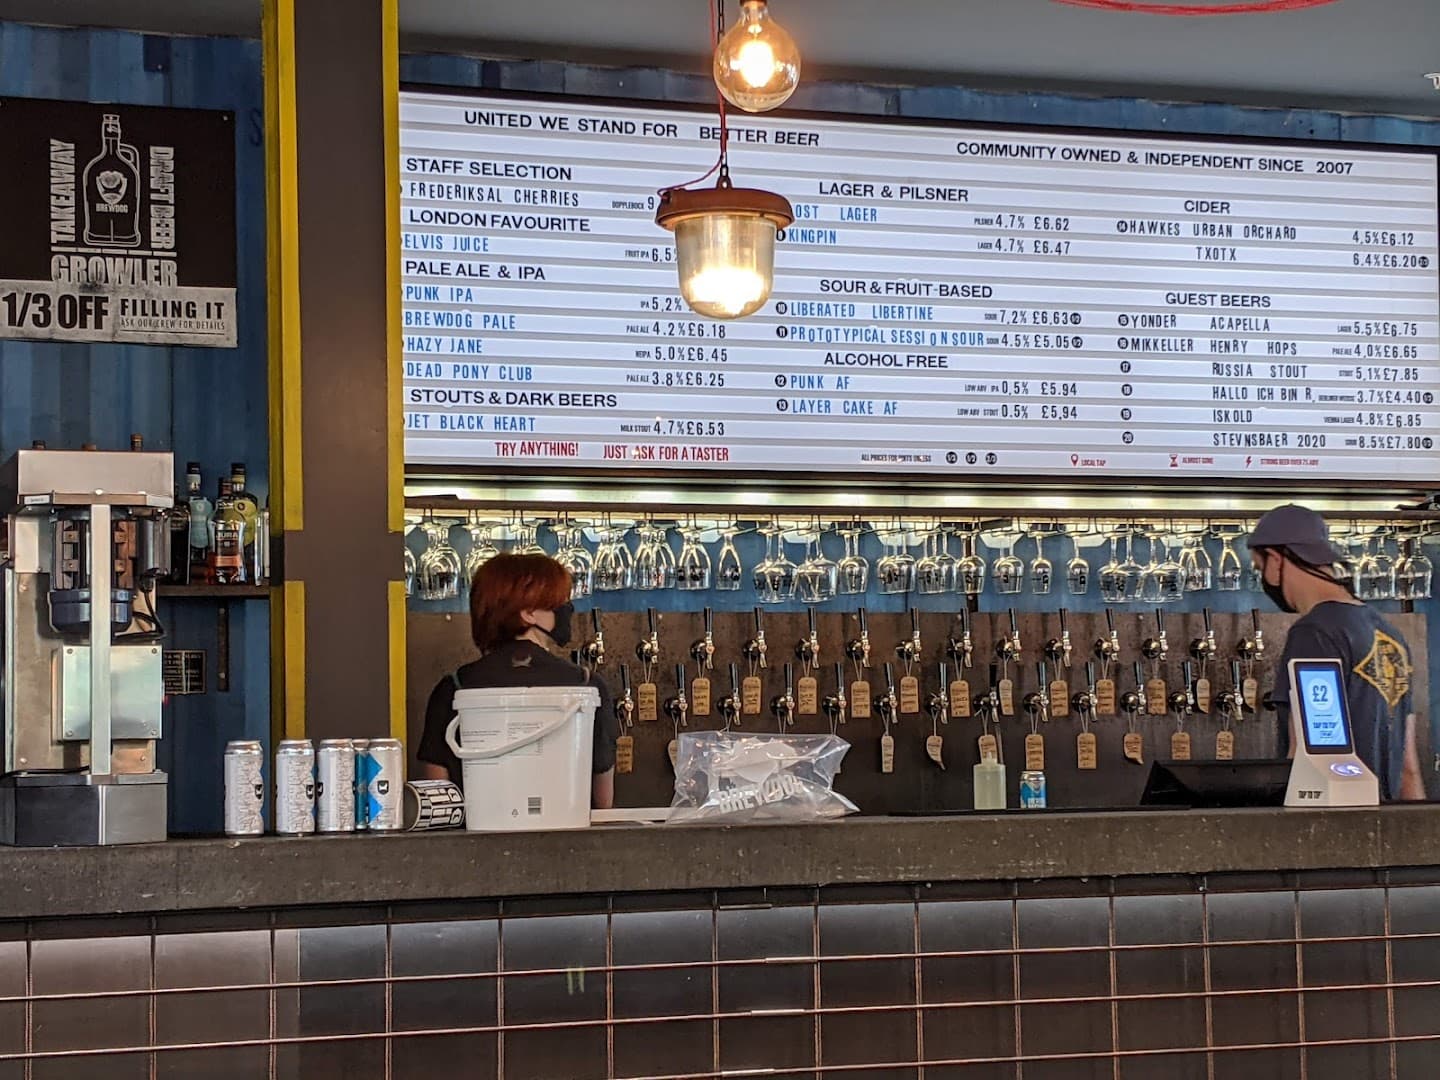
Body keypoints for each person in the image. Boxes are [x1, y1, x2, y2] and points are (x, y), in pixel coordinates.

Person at [1248, 504, 1424, 801]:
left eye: (1258, 567)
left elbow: (1305, 752)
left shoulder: (1314, 633)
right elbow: (1408, 767)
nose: (1262, 578)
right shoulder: (1390, 635)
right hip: (1383, 829)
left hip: (1333, 825)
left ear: (1276, 560)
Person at [417, 553, 618, 809]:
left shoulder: (453, 687)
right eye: (559, 602)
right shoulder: (587, 685)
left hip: (476, 845)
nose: (567, 609)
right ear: (529, 613)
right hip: (568, 843)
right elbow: (602, 802)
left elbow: (439, 799)